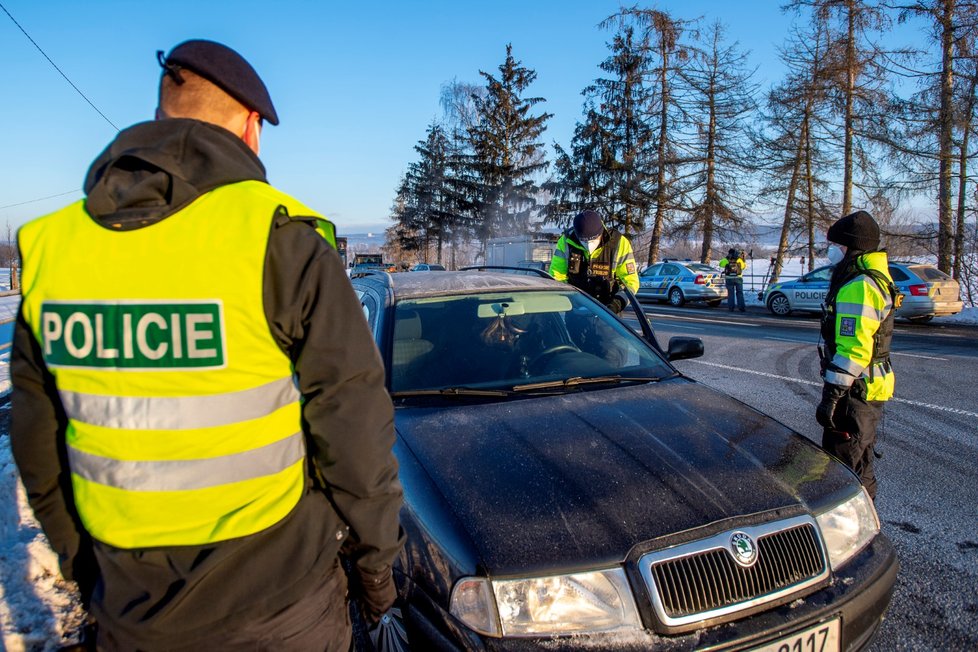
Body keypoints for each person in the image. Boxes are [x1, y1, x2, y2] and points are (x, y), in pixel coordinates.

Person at [11, 39, 403, 651]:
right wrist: (376, 571)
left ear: (163, 115)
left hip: (128, 607)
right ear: (251, 126)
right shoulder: (279, 236)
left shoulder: (52, 248)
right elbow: (351, 424)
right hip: (280, 606)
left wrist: (83, 566)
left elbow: (37, 439)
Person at [815, 210, 899, 500]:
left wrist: (833, 396)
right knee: (860, 465)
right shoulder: (872, 276)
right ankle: (868, 518)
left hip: (854, 392)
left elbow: (853, 350)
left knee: (841, 471)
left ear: (851, 247)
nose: (832, 252)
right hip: (868, 389)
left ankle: (847, 530)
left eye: (836, 246)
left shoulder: (858, 286)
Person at [549, 210, 640, 313]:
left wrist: (616, 304)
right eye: (583, 241)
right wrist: (570, 301)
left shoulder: (619, 243)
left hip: (608, 313)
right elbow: (557, 277)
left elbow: (631, 282)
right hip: (575, 310)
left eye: (592, 241)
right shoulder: (566, 241)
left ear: (601, 233)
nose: (588, 245)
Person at [719, 247, 747, 312]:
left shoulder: (726, 260)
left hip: (729, 279)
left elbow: (720, 264)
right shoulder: (739, 259)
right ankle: (741, 307)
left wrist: (726, 258)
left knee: (731, 293)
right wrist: (743, 259)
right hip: (738, 278)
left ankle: (731, 308)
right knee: (740, 293)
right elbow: (744, 266)